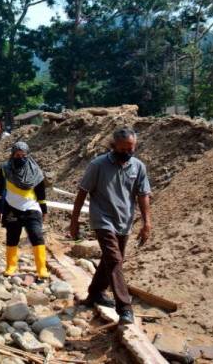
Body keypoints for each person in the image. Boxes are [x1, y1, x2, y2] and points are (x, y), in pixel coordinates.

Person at [69, 128, 151, 325]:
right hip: (102, 218)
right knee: (115, 260)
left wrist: (147, 222)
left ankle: (95, 293)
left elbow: (143, 194)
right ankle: (124, 307)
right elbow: (82, 191)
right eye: (122, 149)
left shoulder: (138, 167)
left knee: (111, 259)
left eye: (130, 148)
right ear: (113, 146)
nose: (127, 152)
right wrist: (74, 220)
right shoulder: (98, 165)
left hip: (124, 220)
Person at [0, 142, 49, 282]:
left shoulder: (35, 171)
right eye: (17, 155)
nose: (20, 158)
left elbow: (41, 193)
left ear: (28, 155)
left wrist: (44, 210)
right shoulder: (5, 169)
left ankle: (42, 269)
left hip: (32, 208)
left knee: (37, 235)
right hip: (11, 208)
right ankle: (11, 267)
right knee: (12, 237)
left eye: (23, 155)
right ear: (12, 155)